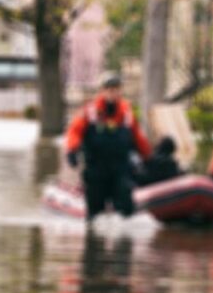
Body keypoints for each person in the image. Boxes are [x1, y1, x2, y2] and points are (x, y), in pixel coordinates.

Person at [65, 74, 152, 220]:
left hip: (120, 168)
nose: (113, 92)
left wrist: (148, 157)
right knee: (94, 213)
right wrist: (72, 150)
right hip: (96, 168)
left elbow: (137, 137)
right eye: (109, 89)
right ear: (102, 91)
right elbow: (74, 131)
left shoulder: (126, 112)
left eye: (116, 89)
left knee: (126, 207)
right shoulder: (90, 112)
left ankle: (124, 238)